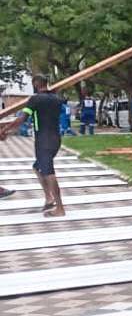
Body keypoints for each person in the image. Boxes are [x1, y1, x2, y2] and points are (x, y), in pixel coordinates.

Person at [0, 74, 66, 216]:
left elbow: (21, 119)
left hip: (43, 139)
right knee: (38, 167)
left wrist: (5, 130)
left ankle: (60, 208)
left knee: (48, 172)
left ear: (36, 83)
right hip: (55, 138)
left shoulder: (35, 99)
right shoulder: (56, 99)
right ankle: (49, 199)